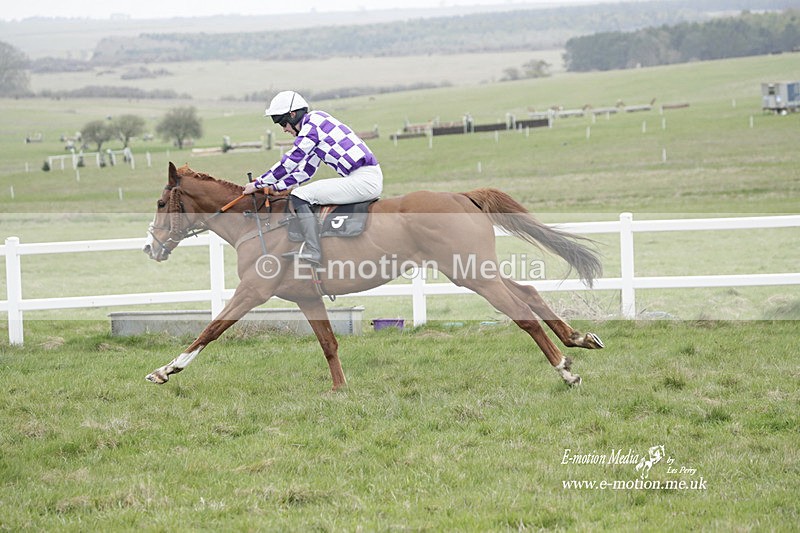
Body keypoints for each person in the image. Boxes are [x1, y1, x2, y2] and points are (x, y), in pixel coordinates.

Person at [243, 91, 383, 265]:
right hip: (365, 178)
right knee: (302, 192)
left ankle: (313, 251)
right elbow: (305, 171)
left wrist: (259, 183)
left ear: (293, 115)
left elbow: (292, 159)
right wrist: (276, 187)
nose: (284, 129)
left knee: (299, 195)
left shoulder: (312, 125)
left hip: (363, 180)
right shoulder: (316, 124)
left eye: (283, 123)